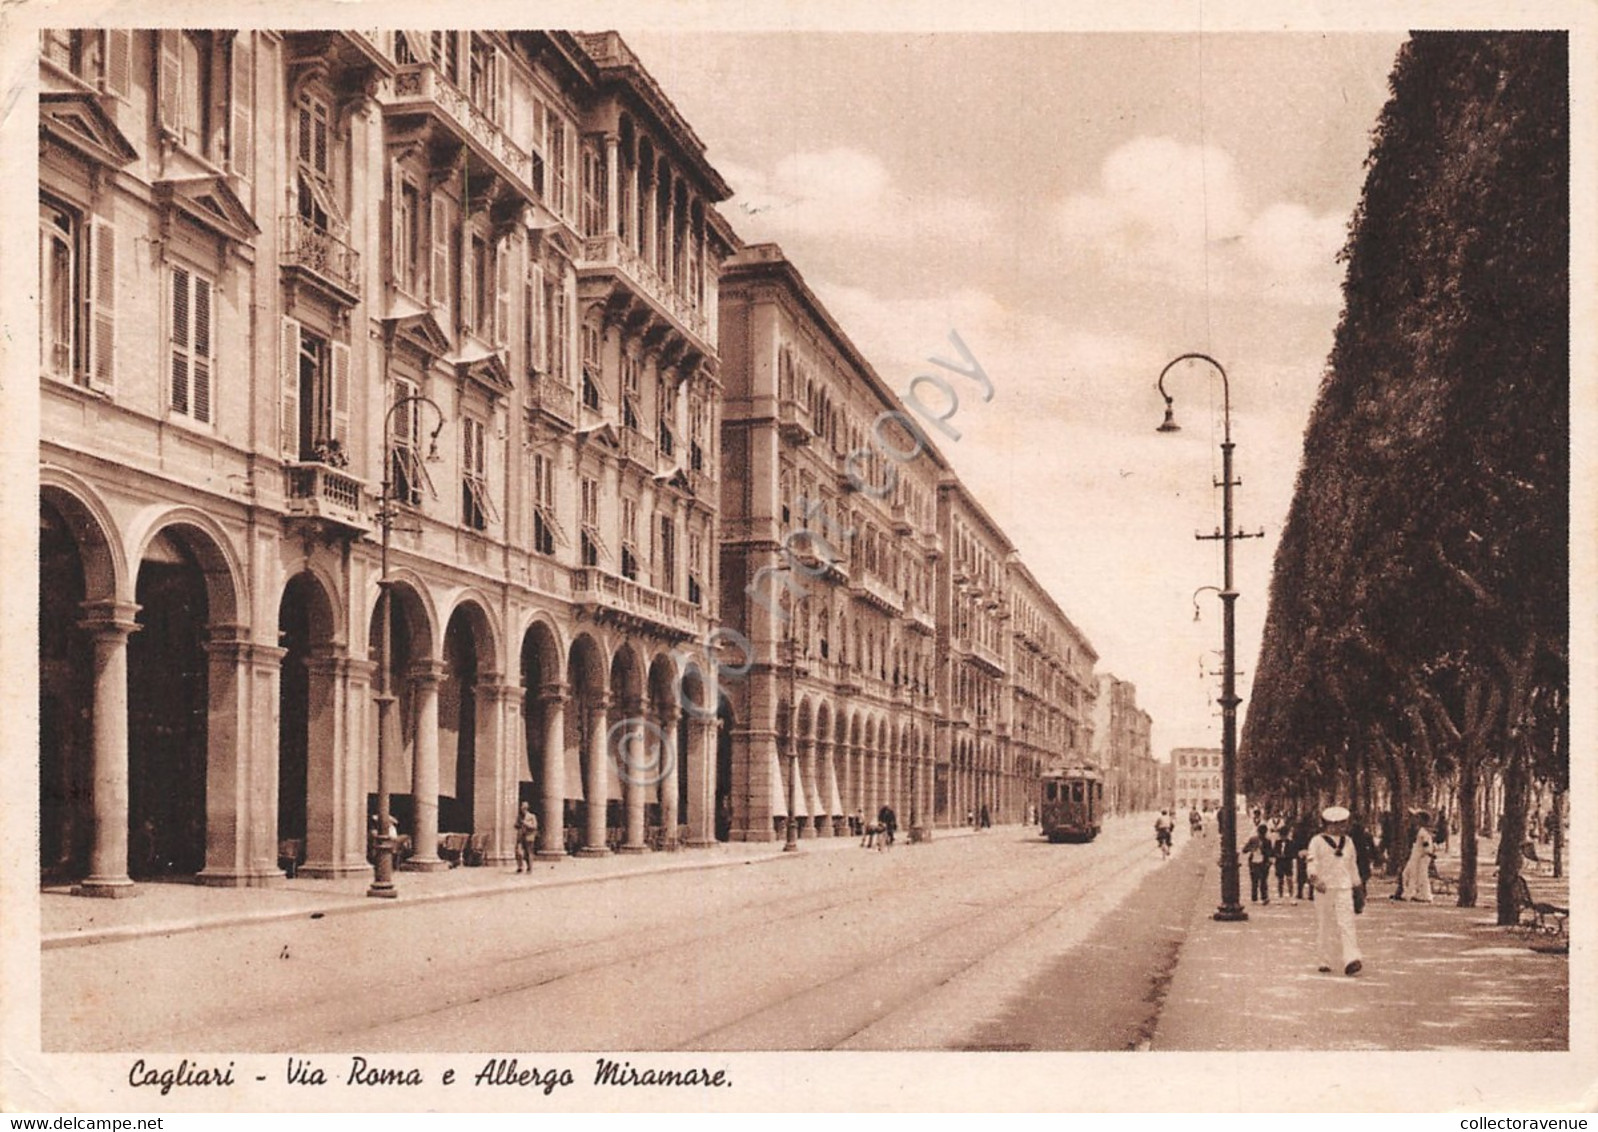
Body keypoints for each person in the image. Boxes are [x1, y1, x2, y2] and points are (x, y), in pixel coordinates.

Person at [1307, 805, 1364, 976]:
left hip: (1344, 887)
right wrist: (1314, 878)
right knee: (1324, 924)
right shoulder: (1317, 841)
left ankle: (1351, 958)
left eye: (1344, 823)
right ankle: (1324, 960)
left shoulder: (1348, 842)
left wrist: (1357, 887)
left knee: (1347, 923)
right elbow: (1312, 861)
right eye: (1340, 824)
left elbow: (1352, 865)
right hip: (1324, 888)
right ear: (1330, 824)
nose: (1343, 827)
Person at [1402, 816, 1436, 902]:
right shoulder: (1422, 831)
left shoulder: (1423, 832)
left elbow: (1426, 844)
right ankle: (1413, 893)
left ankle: (1425, 895)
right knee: (1409, 874)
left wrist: (1428, 853)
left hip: (1422, 857)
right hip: (1418, 855)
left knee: (1422, 875)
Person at [1242, 823, 1273, 904]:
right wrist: (1252, 849)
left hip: (1263, 862)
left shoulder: (1267, 841)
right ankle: (1255, 897)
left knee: (1263, 880)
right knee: (1255, 880)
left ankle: (1264, 897)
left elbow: (1270, 852)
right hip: (1254, 862)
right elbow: (1244, 850)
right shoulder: (1253, 840)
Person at [515, 800, 539, 873]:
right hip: (520, 836)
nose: (522, 809)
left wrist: (525, 823)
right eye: (522, 807)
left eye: (524, 807)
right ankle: (520, 866)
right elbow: (516, 825)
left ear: (527, 808)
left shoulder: (532, 816)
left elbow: (534, 826)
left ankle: (529, 867)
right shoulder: (519, 817)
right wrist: (517, 825)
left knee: (528, 853)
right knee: (518, 852)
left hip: (529, 837)